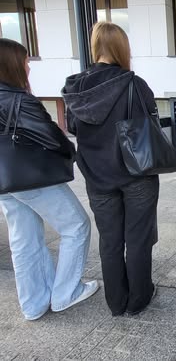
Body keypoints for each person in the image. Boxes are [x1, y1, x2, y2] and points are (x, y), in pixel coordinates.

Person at [62, 22, 160, 316]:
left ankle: (116, 302)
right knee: (138, 238)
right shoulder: (134, 84)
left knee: (110, 240)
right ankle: (139, 299)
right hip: (136, 172)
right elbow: (151, 124)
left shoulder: (75, 87)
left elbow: (74, 128)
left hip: (97, 175)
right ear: (122, 48)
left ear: (95, 47)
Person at [0, 38, 98, 321]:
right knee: (76, 225)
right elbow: (53, 138)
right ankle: (66, 292)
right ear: (12, 65)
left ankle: (33, 304)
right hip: (31, 178)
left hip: (4, 181)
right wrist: (72, 153)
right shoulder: (19, 100)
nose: (29, 67)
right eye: (25, 61)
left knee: (24, 240)